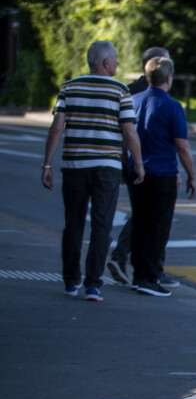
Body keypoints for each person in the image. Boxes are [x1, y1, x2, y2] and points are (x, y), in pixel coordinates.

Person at [41, 40, 145, 302]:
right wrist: (138, 164)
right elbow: (129, 131)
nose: (119, 63)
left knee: (73, 224)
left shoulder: (70, 87)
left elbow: (56, 127)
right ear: (106, 62)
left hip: (74, 166)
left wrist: (47, 164)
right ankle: (93, 285)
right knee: (102, 226)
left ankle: (70, 280)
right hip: (107, 169)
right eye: (117, 59)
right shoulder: (120, 91)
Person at [107, 46, 177, 288]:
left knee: (145, 215)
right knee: (155, 219)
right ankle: (150, 270)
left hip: (132, 163)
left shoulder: (130, 91)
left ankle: (140, 266)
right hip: (152, 166)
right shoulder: (152, 93)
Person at [127, 57, 196, 297]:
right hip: (162, 173)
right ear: (169, 78)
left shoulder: (133, 101)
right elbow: (182, 146)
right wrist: (191, 175)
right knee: (158, 227)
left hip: (136, 172)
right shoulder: (172, 107)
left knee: (139, 223)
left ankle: (138, 275)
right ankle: (150, 277)